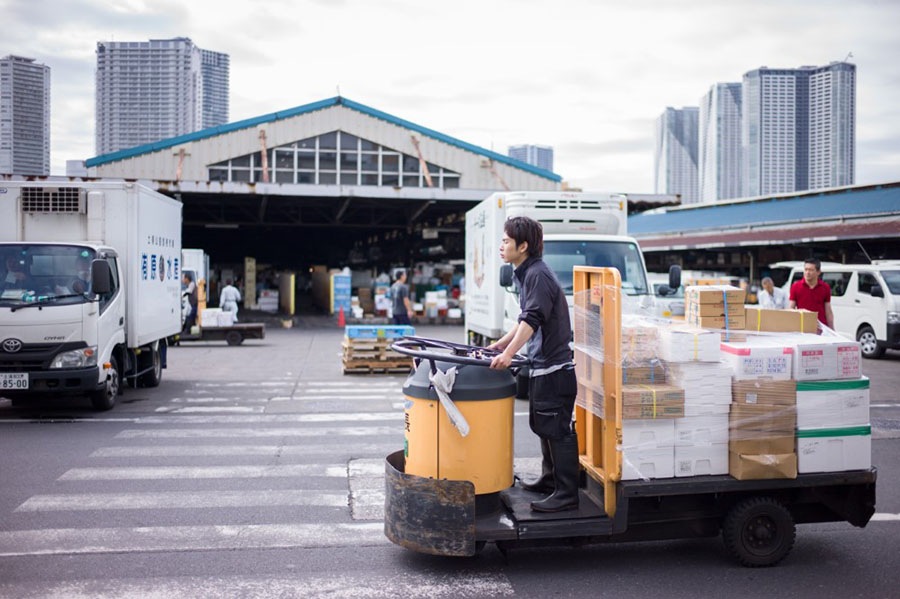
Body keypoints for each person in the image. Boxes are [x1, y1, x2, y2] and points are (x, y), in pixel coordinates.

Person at [487, 216, 578, 513]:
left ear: (523, 246)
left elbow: (532, 319)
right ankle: (550, 480)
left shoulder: (537, 274)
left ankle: (567, 493)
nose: (501, 246)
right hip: (544, 366)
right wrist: (502, 343)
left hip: (555, 369)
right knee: (543, 426)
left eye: (506, 241)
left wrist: (510, 353)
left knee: (558, 429)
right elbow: (524, 318)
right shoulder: (527, 272)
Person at [789, 258, 834, 329]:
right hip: (802, 327)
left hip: (820, 327)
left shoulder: (825, 287)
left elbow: (828, 310)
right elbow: (791, 309)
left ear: (818, 272)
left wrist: (832, 329)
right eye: (806, 269)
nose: (807, 272)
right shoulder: (795, 286)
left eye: (811, 270)